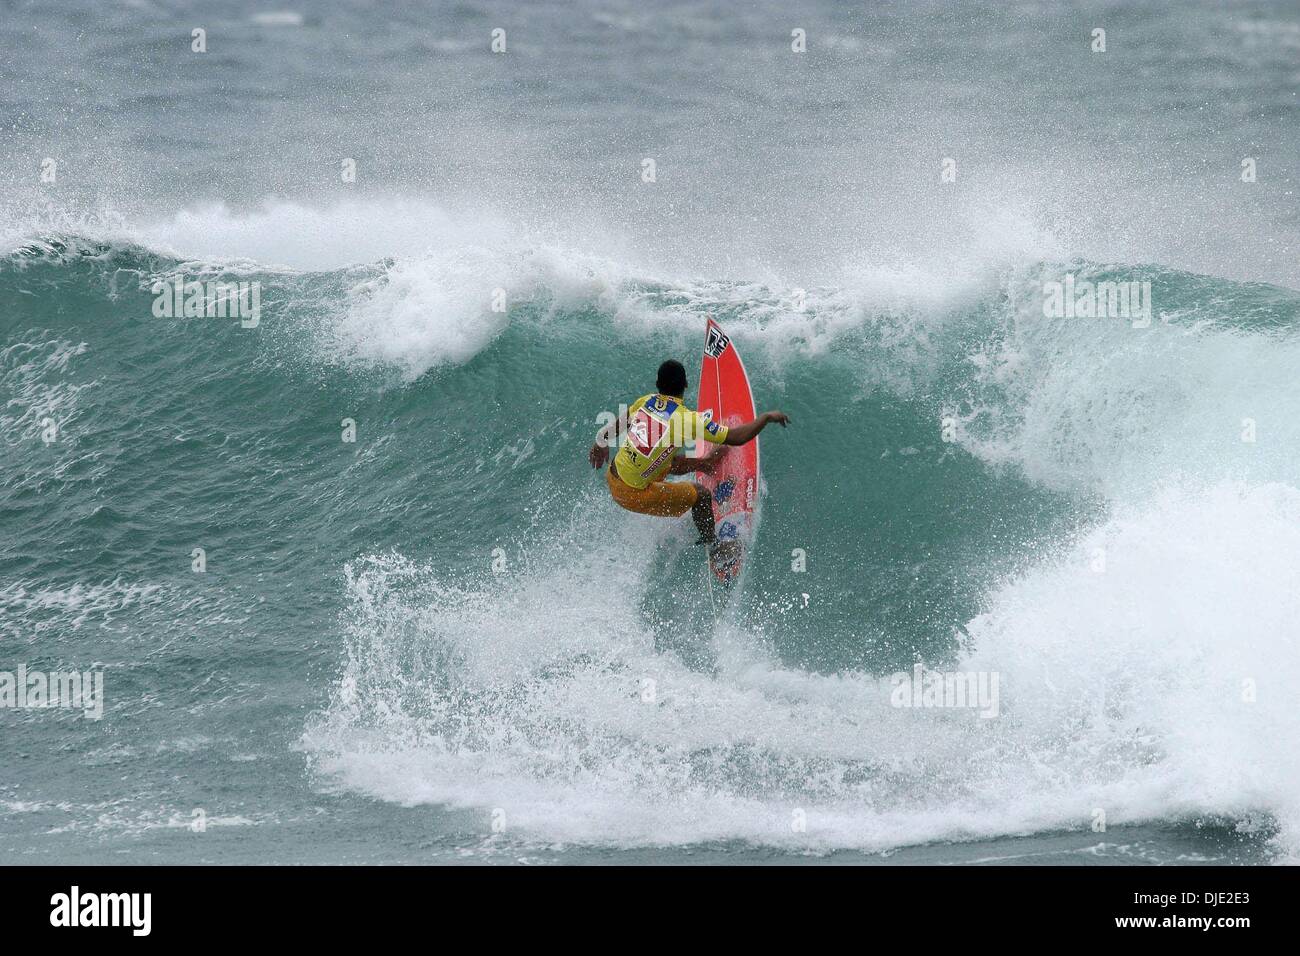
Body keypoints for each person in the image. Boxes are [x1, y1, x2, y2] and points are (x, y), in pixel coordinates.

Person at [588, 359, 790, 542]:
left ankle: (705, 463)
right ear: (685, 385)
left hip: (614, 473)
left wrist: (600, 442)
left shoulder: (646, 401)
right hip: (632, 494)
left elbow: (619, 424)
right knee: (701, 495)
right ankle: (712, 540)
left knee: (666, 456)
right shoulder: (688, 420)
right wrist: (766, 418)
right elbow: (737, 437)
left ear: (658, 385)